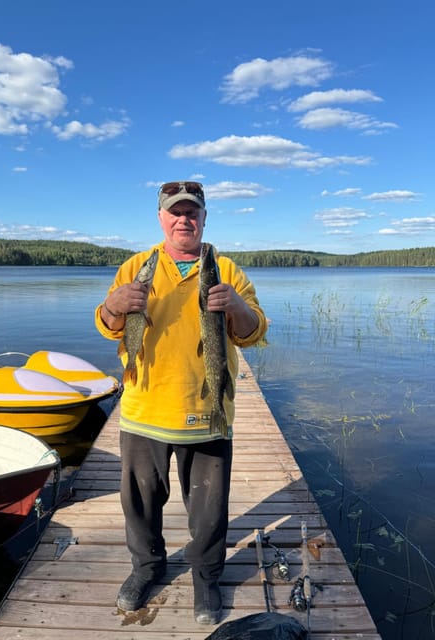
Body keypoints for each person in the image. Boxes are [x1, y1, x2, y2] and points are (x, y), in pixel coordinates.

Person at [95, 180, 267, 625]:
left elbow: (253, 331)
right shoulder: (137, 265)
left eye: (192, 212)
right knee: (140, 505)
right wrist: (114, 304)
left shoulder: (225, 268)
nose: (183, 219)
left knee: (208, 511)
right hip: (143, 411)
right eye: (175, 212)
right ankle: (146, 569)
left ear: (205, 218)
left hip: (206, 414)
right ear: (161, 218)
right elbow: (109, 326)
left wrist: (236, 308)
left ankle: (206, 579)